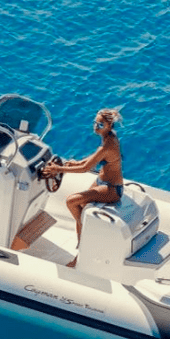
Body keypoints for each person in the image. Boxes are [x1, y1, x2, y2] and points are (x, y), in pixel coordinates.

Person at [41, 108, 124, 266]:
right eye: (95, 123)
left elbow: (85, 168)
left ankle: (86, 237)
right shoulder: (109, 137)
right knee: (80, 208)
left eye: (100, 124)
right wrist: (75, 163)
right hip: (102, 182)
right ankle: (82, 247)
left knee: (71, 201)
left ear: (109, 125)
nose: (96, 126)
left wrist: (59, 169)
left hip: (112, 188)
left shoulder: (108, 145)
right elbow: (93, 158)